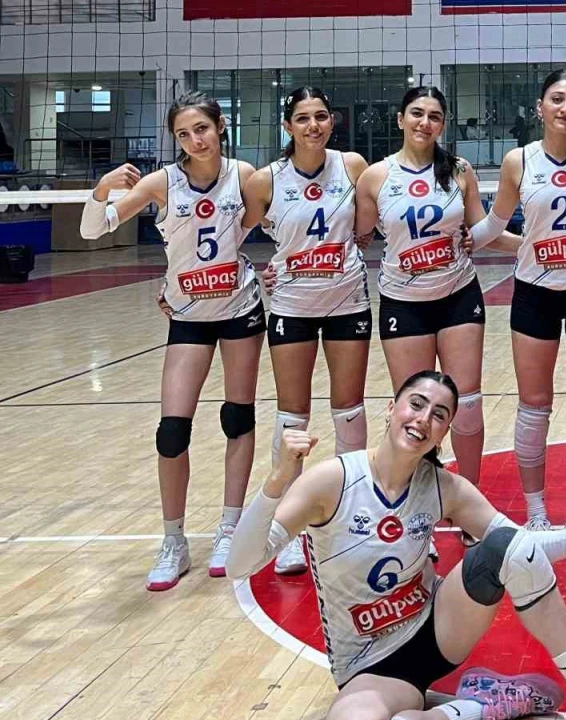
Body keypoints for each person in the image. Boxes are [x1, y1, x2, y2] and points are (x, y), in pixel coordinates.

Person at [225, 370, 566, 720]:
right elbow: (239, 565)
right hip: (368, 664)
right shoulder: (332, 480)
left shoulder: (444, 487)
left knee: (506, 545)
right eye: (417, 404)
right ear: (391, 408)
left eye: (439, 415)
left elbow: (523, 550)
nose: (423, 419)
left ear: (443, 433)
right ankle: (484, 704)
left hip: (438, 629)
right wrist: (277, 480)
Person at [80, 91, 265, 590]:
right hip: (188, 316)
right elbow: (94, 230)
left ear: (220, 126)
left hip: (240, 308)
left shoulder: (244, 175)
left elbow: (266, 228)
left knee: (237, 418)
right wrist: (102, 189)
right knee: (171, 431)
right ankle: (173, 541)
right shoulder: (162, 182)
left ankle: (229, 529)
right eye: (183, 134)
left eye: (201, 129)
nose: (194, 140)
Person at [467, 70, 566, 561]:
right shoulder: (519, 160)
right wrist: (452, 239)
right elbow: (494, 224)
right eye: (556, 99)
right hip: (534, 292)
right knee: (534, 405)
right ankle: (536, 515)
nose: (565, 108)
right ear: (540, 107)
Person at [243, 86, 372, 575]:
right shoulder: (265, 180)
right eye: (302, 118)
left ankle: (353, 517)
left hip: (347, 301)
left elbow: (366, 230)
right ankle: (288, 528)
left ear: (332, 121)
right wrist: (256, 272)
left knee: (349, 409)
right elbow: (227, 239)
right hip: (291, 306)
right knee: (291, 416)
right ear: (288, 126)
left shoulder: (352, 166)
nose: (313, 126)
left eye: (321, 116)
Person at [353, 86, 494, 502]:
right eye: (416, 113)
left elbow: (481, 230)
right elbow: (355, 237)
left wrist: (532, 244)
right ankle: (416, 502)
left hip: (458, 295)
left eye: (434, 116)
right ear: (400, 119)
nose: (424, 122)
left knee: (467, 404)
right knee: (415, 409)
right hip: (404, 302)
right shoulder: (375, 176)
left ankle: (469, 499)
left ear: (443, 124)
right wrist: (286, 264)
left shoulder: (459, 170)